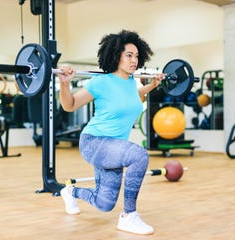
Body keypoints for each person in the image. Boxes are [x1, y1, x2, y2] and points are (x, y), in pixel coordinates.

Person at [58, 29, 165, 235]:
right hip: (94, 142)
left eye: (136, 56)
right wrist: (64, 83)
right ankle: (129, 216)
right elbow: (69, 105)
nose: (134, 60)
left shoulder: (131, 83)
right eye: (128, 55)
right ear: (116, 55)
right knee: (139, 155)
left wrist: (152, 85)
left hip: (114, 148)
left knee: (104, 203)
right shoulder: (101, 81)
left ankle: (71, 191)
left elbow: (133, 97)